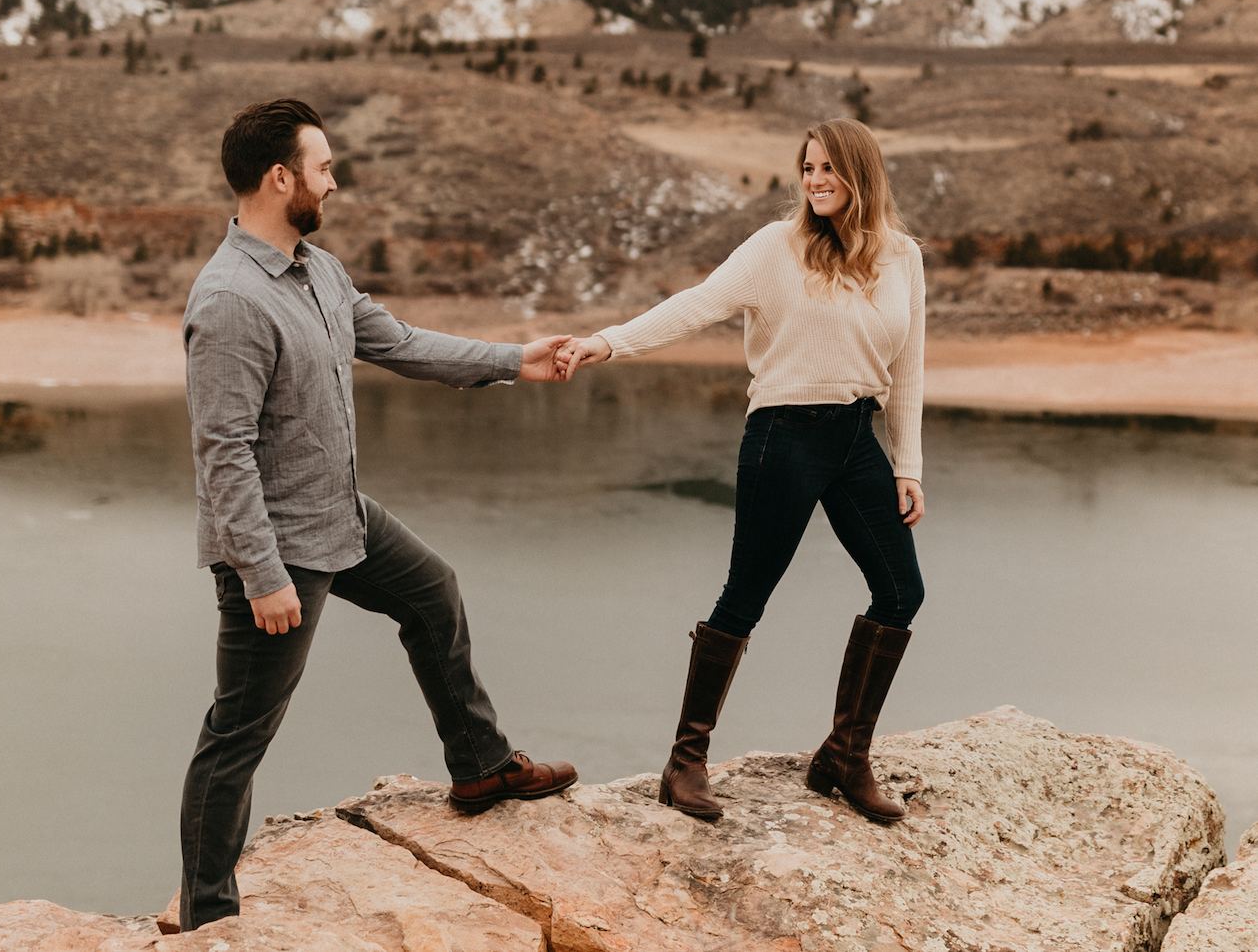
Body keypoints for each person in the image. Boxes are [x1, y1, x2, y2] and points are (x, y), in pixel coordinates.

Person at [178, 98, 577, 932]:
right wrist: (262, 575)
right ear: (280, 177)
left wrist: (516, 360)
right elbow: (223, 454)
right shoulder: (228, 300)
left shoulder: (316, 270)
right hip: (280, 548)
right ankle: (210, 917)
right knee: (239, 735)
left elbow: (399, 340)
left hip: (340, 517)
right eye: (324, 166)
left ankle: (479, 766)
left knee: (432, 592)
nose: (336, 179)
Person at [558, 117, 925, 825]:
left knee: (901, 591)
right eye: (808, 168)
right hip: (782, 436)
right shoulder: (775, 248)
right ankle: (685, 762)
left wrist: (907, 463)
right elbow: (697, 305)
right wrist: (607, 343)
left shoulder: (902, 256)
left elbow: (908, 364)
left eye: (828, 168)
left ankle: (845, 755)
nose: (815, 180)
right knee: (745, 597)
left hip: (855, 439)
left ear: (862, 173)